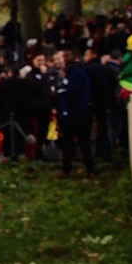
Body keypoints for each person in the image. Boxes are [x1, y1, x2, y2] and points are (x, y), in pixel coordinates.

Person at [54, 49, 95, 178]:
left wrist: (61, 92)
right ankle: (69, 169)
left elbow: (74, 91)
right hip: (72, 113)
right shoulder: (70, 72)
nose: (57, 62)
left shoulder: (75, 73)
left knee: (80, 143)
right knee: (70, 142)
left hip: (75, 114)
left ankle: (88, 170)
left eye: (60, 59)